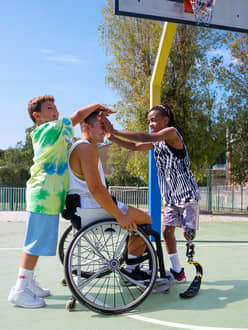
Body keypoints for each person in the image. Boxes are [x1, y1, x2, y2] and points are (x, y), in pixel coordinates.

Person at [8, 95, 114, 308]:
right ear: (37, 116)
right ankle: (20, 289)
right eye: (49, 108)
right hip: (43, 194)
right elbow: (75, 117)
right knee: (34, 243)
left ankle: (28, 282)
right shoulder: (48, 129)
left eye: (55, 107)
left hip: (49, 195)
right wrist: (96, 106)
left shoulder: (54, 131)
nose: (55, 111)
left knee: (37, 242)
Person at [101, 103, 200, 284]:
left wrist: (115, 129)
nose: (151, 124)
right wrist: (112, 137)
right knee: (166, 231)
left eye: (154, 120)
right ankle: (178, 271)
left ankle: (189, 252)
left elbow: (144, 136)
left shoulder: (171, 133)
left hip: (187, 196)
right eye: (149, 121)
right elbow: (135, 146)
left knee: (188, 234)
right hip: (171, 199)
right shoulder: (156, 143)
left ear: (165, 120)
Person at [66, 110, 152, 283]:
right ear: (87, 127)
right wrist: (120, 215)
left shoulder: (80, 147)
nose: (105, 130)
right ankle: (130, 270)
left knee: (138, 214)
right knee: (146, 220)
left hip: (81, 207)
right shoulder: (86, 148)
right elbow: (97, 189)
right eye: (101, 125)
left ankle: (130, 261)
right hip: (91, 207)